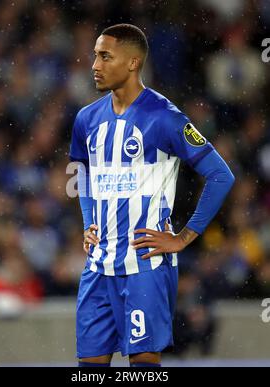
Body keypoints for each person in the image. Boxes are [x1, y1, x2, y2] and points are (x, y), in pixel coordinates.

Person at [69, 24, 235, 367]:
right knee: (89, 368)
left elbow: (221, 175)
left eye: (105, 56)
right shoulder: (86, 119)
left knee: (143, 366)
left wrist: (184, 237)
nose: (95, 65)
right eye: (95, 56)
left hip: (145, 264)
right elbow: (82, 172)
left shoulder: (164, 117)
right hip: (98, 266)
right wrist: (88, 222)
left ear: (132, 62)